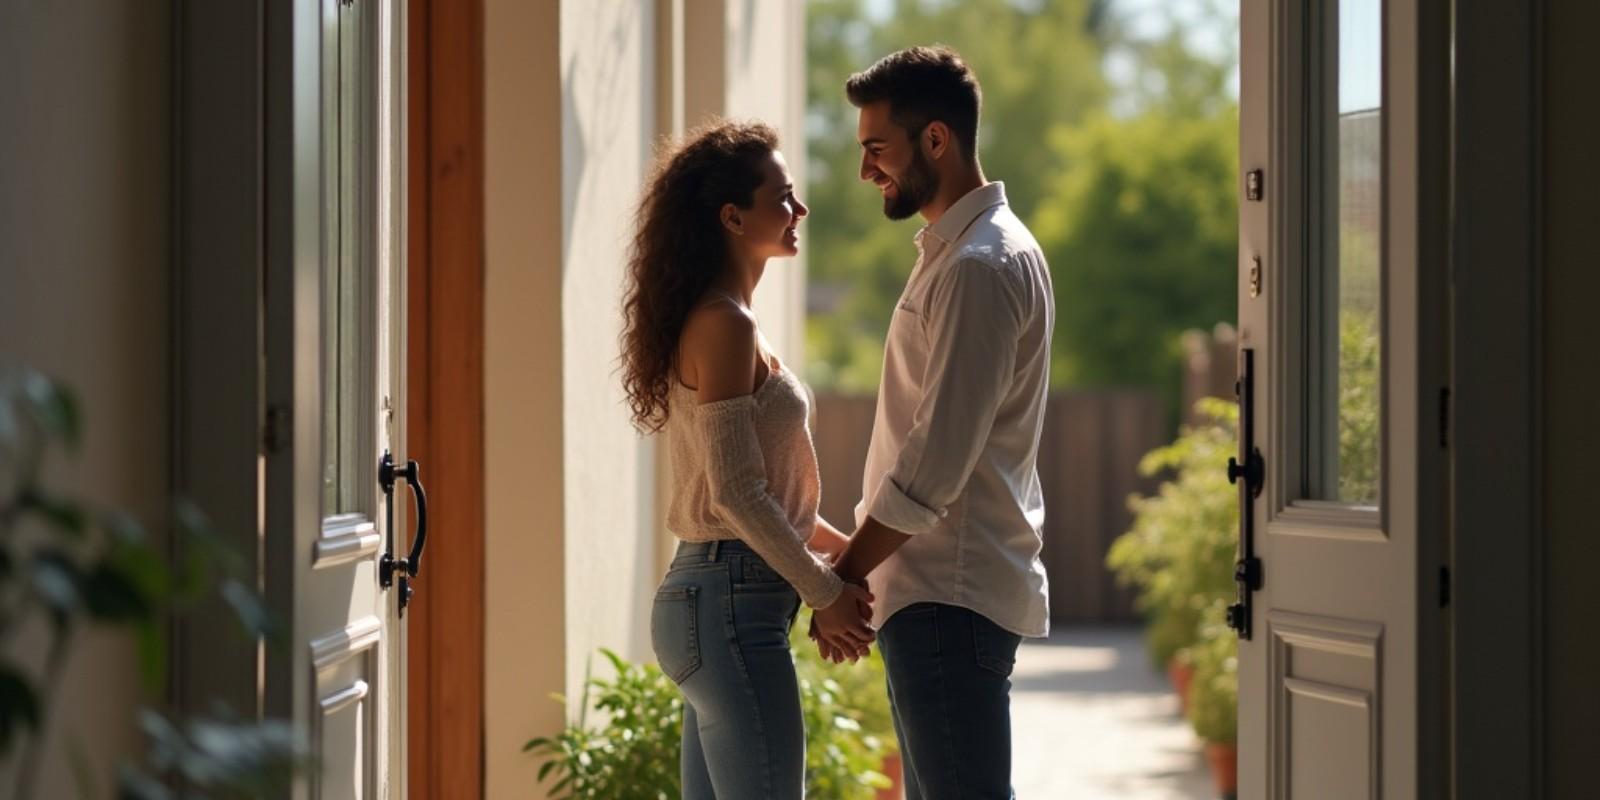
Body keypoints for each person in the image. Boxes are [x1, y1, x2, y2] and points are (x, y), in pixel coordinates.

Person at [813, 46, 1056, 800]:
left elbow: (933, 467)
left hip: (949, 599)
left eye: (876, 149)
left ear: (937, 140)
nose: (865, 172)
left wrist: (840, 580)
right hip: (934, 599)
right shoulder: (962, 256)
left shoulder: (979, 266)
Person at [619, 119, 875, 800]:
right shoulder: (725, 324)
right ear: (733, 216)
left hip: (710, 597)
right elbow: (736, 493)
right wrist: (826, 593)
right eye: (783, 196)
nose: (800, 210)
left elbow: (770, 498)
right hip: (728, 602)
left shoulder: (723, 319)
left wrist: (853, 556)